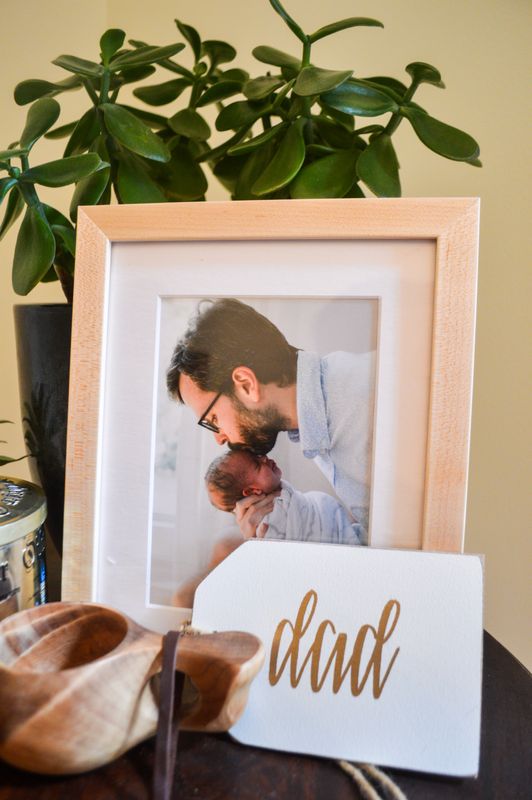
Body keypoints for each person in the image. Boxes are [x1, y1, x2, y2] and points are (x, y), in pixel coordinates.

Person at [167, 298, 375, 543]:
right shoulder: (323, 416)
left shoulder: (366, 409)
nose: (219, 438)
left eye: (213, 419)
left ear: (246, 384)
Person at [205, 450, 362, 545]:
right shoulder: (264, 524)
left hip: (331, 520)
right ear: (253, 491)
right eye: (257, 464)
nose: (264, 458)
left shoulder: (277, 492)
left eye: (258, 455)